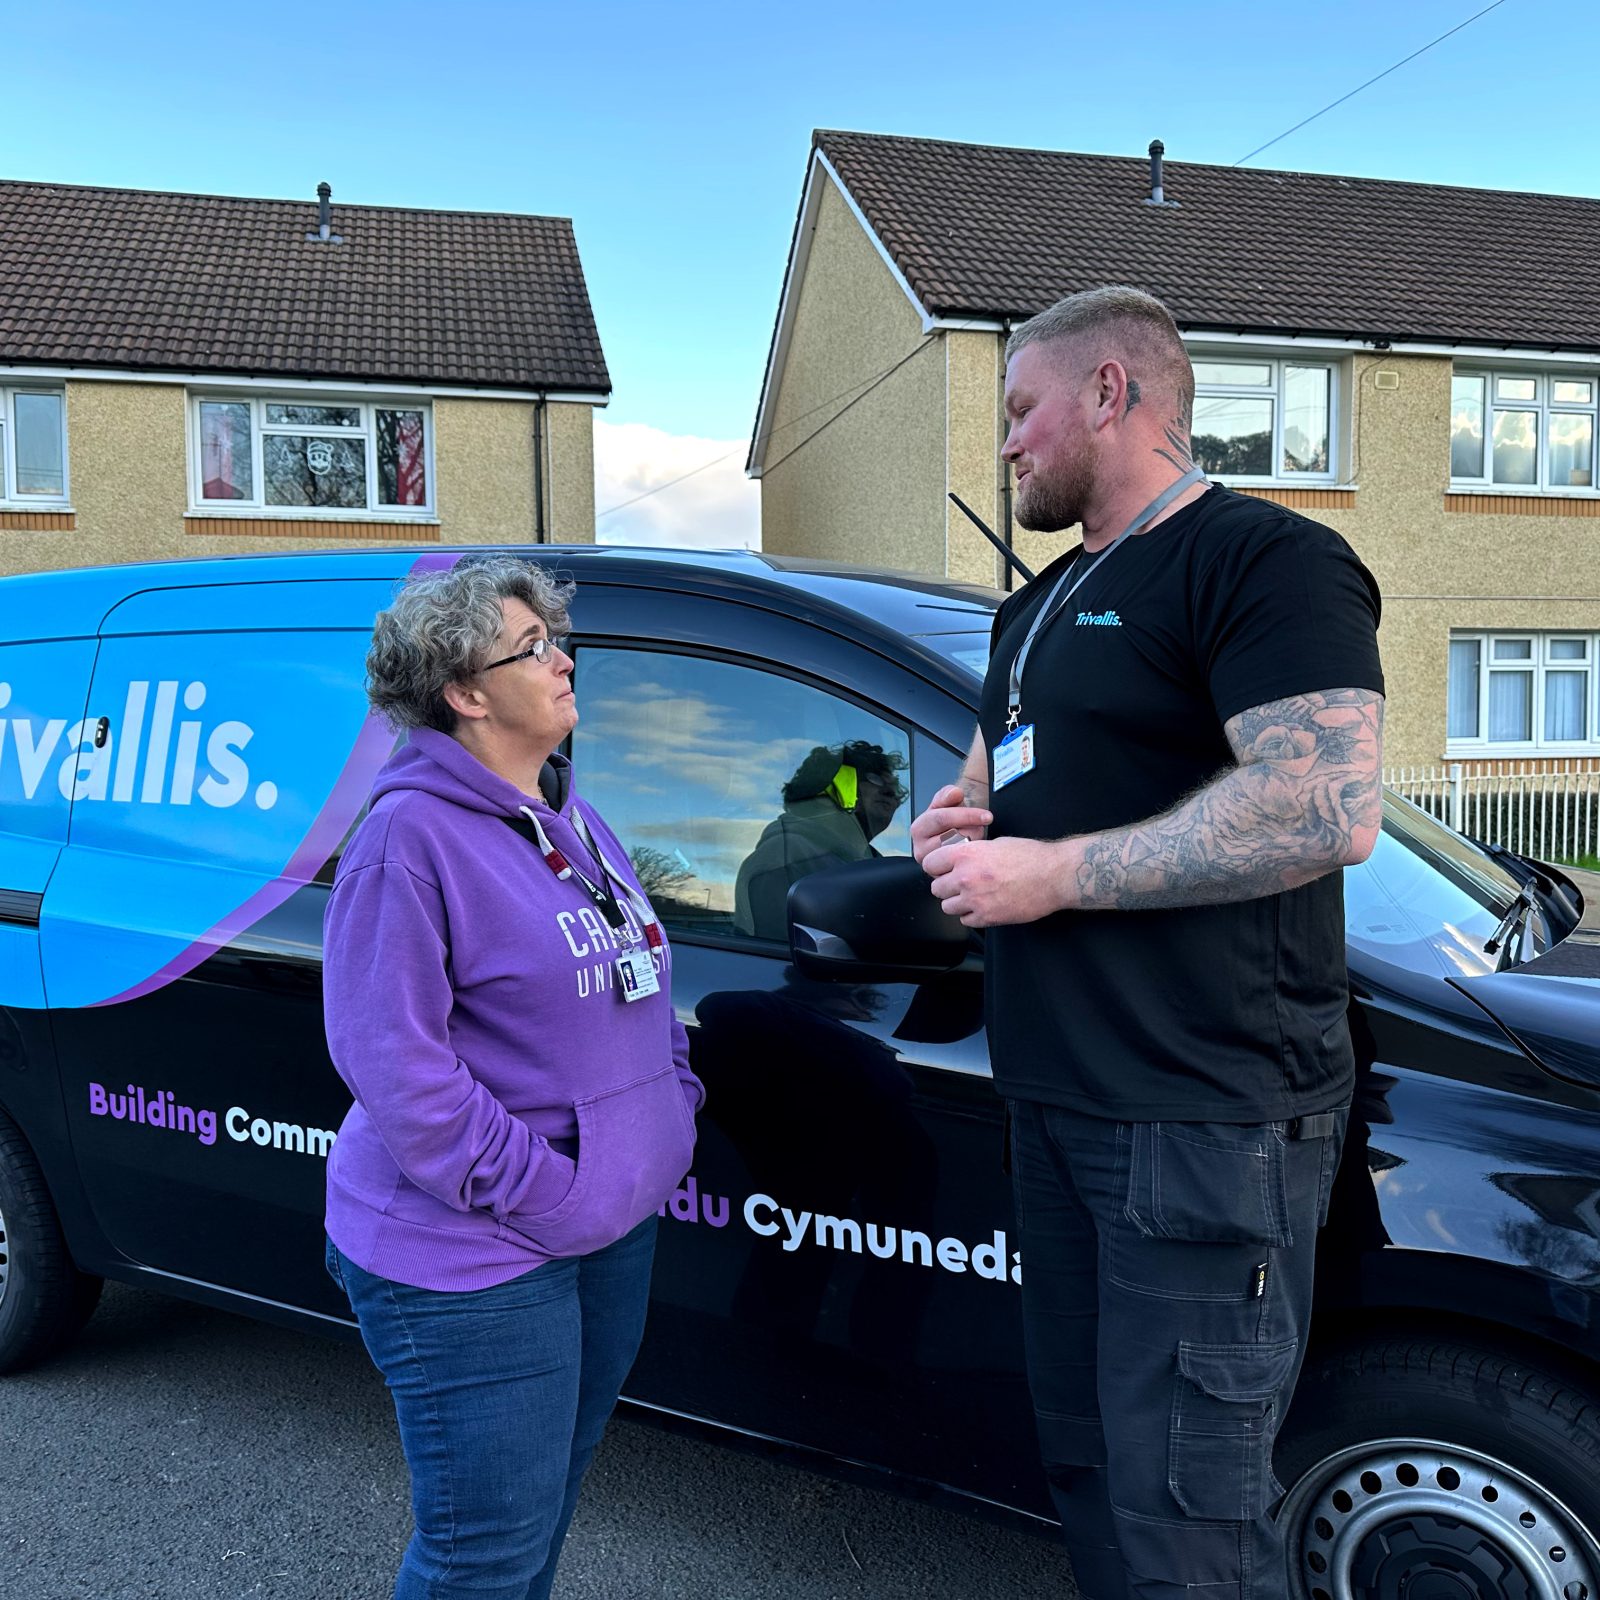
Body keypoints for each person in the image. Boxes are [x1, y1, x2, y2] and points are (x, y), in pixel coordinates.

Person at [910, 286, 1384, 1600]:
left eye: (1020, 410)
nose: (1006, 445)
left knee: (1190, 1521)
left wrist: (1051, 874)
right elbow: (1002, 780)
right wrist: (953, 825)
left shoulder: (1262, 561)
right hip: (1054, 1102)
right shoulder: (1041, 605)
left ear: (1112, 392)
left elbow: (1324, 807)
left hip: (1199, 1121)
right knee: (1085, 1471)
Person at [321, 555, 704, 1600]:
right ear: (464, 690)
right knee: (481, 1549)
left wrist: (667, 1114)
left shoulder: (568, 815)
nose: (564, 658)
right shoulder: (406, 838)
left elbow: (642, 985)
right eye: (533, 647)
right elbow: (395, 1069)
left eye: (557, 639)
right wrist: (550, 1188)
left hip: (603, 1230)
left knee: (541, 1511)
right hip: (471, 1255)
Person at [733, 739, 907, 939]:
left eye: (893, 785)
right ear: (826, 789)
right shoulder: (783, 857)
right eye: (874, 778)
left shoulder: (872, 864)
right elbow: (784, 960)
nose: (890, 791)